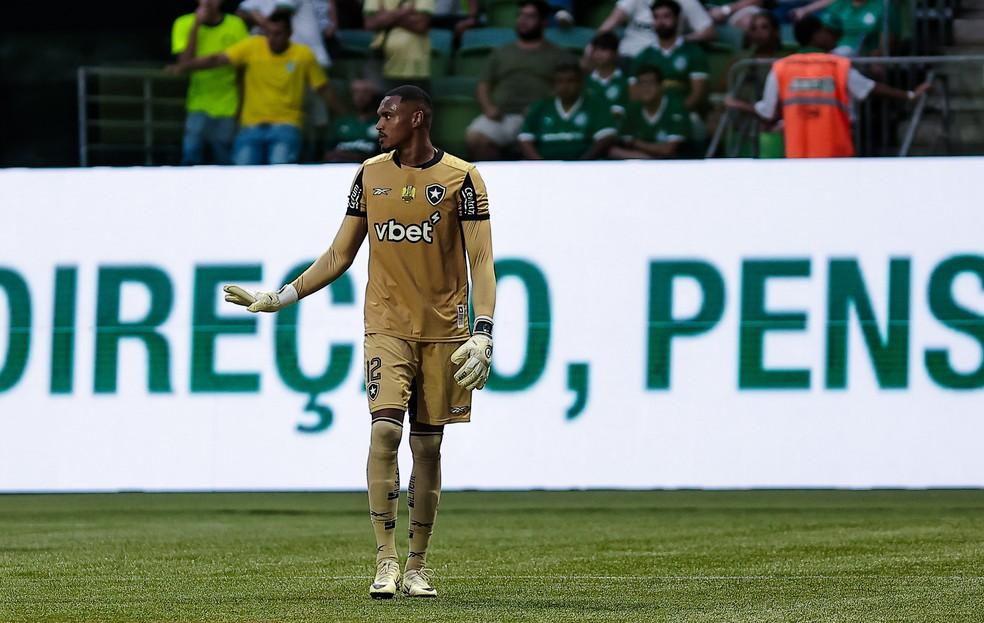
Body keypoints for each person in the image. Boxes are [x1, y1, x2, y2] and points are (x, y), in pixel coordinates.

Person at [222, 85, 496, 600]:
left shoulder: (462, 178)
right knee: (385, 433)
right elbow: (339, 255)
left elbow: (481, 261)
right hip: (385, 327)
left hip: (445, 331)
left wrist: (483, 331)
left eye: (387, 115)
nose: (378, 124)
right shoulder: (369, 174)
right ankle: (385, 560)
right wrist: (281, 296)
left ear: (418, 118)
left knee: (428, 446)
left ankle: (417, 566)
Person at [724, 15, 929, 157]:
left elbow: (767, 111)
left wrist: (739, 104)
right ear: (816, 35)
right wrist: (909, 95)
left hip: (798, 154)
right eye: (829, 32)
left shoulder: (781, 67)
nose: (835, 36)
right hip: (835, 153)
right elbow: (869, 88)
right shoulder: (836, 65)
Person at [168, 10, 339, 165]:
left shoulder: (303, 54)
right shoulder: (253, 45)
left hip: (286, 125)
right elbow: (217, 59)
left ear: (289, 33)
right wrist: (185, 65)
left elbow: (323, 88)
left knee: (280, 166)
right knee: (242, 167)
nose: (272, 38)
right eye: (268, 33)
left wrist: (344, 113)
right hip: (251, 127)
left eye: (278, 34)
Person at [465, 0, 574, 160]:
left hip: (542, 118)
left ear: (543, 22)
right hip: (503, 117)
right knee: (476, 139)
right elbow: (483, 85)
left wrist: (542, 108)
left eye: (530, 16)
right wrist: (489, 107)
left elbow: (567, 87)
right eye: (520, 15)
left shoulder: (557, 54)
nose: (523, 20)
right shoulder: (501, 52)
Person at [171, 0, 249, 165]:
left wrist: (242, 105)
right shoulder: (183, 23)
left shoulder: (236, 24)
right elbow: (184, 62)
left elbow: (243, 68)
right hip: (197, 104)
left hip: (228, 105)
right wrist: (196, 25)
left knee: (224, 160)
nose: (208, 2)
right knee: (190, 157)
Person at [518, 62, 618, 160]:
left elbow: (605, 137)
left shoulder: (594, 105)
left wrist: (582, 163)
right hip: (546, 164)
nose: (565, 86)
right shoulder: (541, 106)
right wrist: (541, 164)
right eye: (559, 81)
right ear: (553, 84)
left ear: (581, 83)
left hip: (585, 164)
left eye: (570, 81)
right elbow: (524, 139)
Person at [631, 0, 709, 115]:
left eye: (666, 16)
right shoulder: (644, 55)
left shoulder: (693, 52)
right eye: (656, 17)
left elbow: (698, 94)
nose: (661, 22)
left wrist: (677, 114)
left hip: (684, 114)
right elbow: (634, 92)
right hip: (650, 115)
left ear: (677, 19)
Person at [610, 65, 693, 159]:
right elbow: (620, 145)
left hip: (674, 164)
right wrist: (645, 156)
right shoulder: (633, 109)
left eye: (650, 83)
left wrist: (635, 143)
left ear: (661, 86)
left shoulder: (676, 108)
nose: (646, 88)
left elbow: (668, 150)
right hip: (640, 162)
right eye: (641, 84)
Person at [596, 0, 714, 59]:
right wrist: (595, 45)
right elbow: (612, 21)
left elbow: (709, 31)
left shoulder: (687, 2)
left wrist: (680, 40)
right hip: (627, 55)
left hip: (661, 59)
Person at [238, 0, 332, 69]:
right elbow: (240, 12)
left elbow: (282, 11)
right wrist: (253, 15)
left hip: (311, 59)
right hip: (285, 63)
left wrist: (257, 17)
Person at [363, 0, 434, 91]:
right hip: (381, 59)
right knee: (382, 97)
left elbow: (420, 25)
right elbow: (370, 23)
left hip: (414, 64)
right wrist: (403, 12)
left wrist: (386, 16)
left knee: (413, 98)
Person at [324, 79, 381, 162]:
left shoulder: (382, 123)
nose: (360, 96)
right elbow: (328, 154)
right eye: (356, 92)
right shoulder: (340, 123)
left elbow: (384, 157)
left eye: (365, 92)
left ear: (373, 95)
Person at [584, 32, 629, 119]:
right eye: (595, 50)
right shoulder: (585, 82)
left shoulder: (625, 82)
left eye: (603, 49)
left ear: (615, 53)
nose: (598, 54)